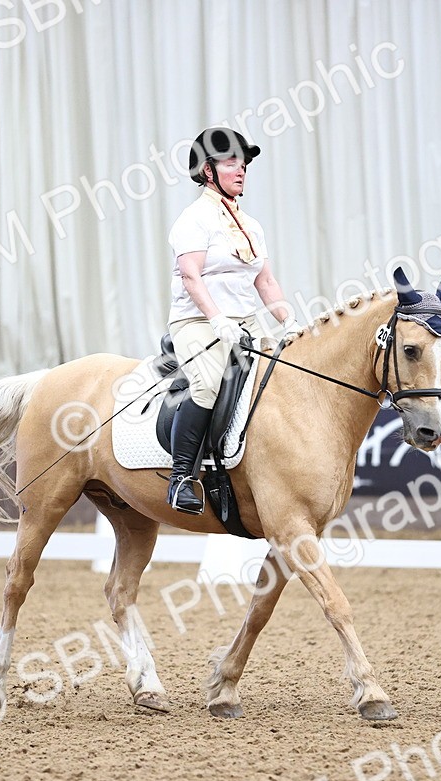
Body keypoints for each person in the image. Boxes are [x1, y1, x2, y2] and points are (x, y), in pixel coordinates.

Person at [165, 127, 301, 514]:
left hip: (246, 322)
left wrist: (288, 319)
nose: (241, 171)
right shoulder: (192, 220)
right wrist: (217, 318)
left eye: (243, 164)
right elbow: (191, 277)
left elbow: (266, 280)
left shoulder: (251, 225)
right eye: (230, 163)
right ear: (208, 171)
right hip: (197, 322)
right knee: (208, 384)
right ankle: (181, 479)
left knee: (285, 373)